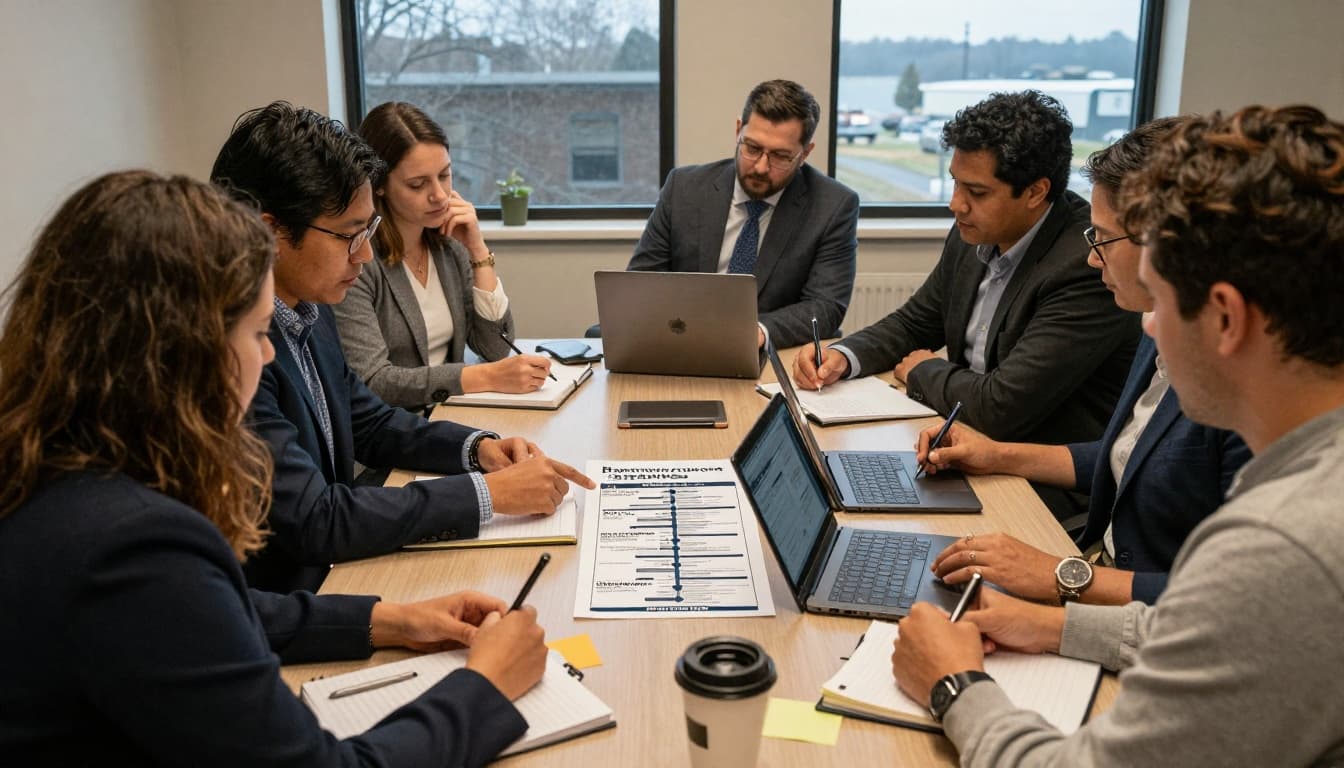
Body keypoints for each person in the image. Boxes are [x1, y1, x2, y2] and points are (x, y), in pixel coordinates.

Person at [0, 170, 549, 765]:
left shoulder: (55, 471)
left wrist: (391, 619)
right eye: (258, 333)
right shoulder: (135, 542)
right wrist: (487, 688)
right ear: (181, 351)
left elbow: (213, 615)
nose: (267, 357)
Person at [890, 105, 1344, 766]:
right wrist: (1059, 625)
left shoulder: (1283, 544)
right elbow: (1199, 622)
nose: (1150, 330)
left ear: (1224, 317)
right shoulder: (1303, 463)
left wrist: (953, 684)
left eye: (1158, 301)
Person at [211, 102, 593, 594]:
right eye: (351, 235)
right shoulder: (234, 354)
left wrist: (479, 451)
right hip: (294, 597)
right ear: (271, 232)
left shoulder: (308, 302)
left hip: (336, 571)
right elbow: (316, 519)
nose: (365, 254)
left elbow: (367, 420)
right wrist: (486, 494)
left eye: (368, 231)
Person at [918, 118, 1251, 606]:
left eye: (1103, 239)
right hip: (1101, 572)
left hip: (1132, 608)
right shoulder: (1157, 319)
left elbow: (1228, 602)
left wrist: (1062, 578)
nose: (1093, 259)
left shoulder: (1244, 392)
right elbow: (1128, 456)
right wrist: (997, 454)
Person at [795, 91, 1139, 450]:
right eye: (956, 182)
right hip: (963, 434)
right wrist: (843, 356)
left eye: (976, 191)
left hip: (1036, 470)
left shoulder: (1085, 265)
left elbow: (1001, 408)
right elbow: (916, 323)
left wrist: (923, 371)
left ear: (1036, 192)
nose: (956, 204)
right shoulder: (975, 230)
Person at [335, 101, 551, 410]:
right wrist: (483, 377)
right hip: (394, 436)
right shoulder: (359, 261)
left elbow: (495, 347)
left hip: (451, 417)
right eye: (418, 184)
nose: (439, 195)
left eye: (445, 175)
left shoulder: (449, 247)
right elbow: (374, 381)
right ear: (379, 185)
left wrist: (477, 250)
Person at [628, 78, 859, 348]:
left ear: (805, 153)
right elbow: (641, 282)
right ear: (738, 130)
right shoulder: (684, 188)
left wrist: (757, 332)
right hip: (681, 341)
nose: (761, 167)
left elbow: (825, 307)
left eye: (781, 156)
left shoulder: (833, 206)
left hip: (767, 354)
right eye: (752, 148)